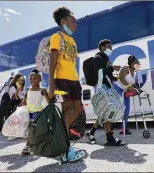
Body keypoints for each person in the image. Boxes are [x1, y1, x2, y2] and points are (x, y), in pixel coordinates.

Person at [48, 6, 85, 162]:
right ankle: (65, 151)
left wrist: (77, 78)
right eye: (73, 21)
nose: (76, 23)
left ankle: (62, 136)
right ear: (63, 22)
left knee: (77, 108)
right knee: (67, 110)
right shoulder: (56, 37)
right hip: (61, 79)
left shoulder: (73, 41)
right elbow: (53, 60)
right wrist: (51, 83)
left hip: (74, 80)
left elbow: (73, 62)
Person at [85, 39, 124, 146]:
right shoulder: (98, 58)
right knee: (107, 110)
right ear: (102, 47)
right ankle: (109, 138)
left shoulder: (106, 58)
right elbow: (99, 72)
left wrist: (116, 78)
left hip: (106, 86)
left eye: (111, 47)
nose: (111, 49)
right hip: (101, 87)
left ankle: (91, 132)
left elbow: (108, 74)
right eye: (109, 47)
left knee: (105, 111)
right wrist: (112, 68)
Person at [21, 69, 50, 155]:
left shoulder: (42, 90)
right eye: (31, 79)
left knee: (32, 128)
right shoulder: (27, 90)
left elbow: (48, 100)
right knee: (32, 129)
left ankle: (27, 145)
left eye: (35, 78)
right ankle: (39, 143)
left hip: (37, 112)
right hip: (28, 112)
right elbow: (24, 101)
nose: (32, 81)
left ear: (40, 79)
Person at [0, 74, 25, 139]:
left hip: (7, 105)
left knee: (8, 118)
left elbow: (17, 97)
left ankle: (9, 133)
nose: (11, 81)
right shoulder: (2, 86)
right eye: (10, 80)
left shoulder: (15, 88)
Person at [113, 56, 141, 135]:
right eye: (137, 63)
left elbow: (134, 84)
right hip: (118, 90)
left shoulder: (134, 73)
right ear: (132, 63)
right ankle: (108, 126)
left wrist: (137, 89)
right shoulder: (125, 68)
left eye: (139, 63)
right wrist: (129, 86)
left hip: (125, 92)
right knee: (117, 109)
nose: (138, 64)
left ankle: (123, 128)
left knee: (127, 110)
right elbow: (121, 78)